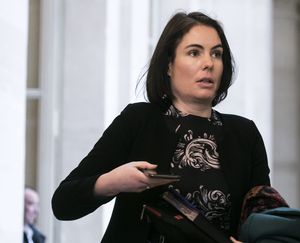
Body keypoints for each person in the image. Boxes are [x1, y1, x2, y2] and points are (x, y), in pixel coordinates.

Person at [51, 11, 270, 243]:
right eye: (194, 53)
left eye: (216, 54)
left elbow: (263, 216)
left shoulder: (245, 133)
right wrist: (114, 182)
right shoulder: (138, 120)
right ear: (168, 65)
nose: (208, 63)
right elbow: (63, 203)